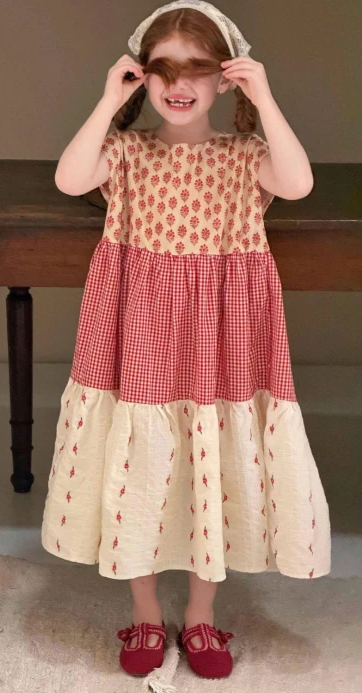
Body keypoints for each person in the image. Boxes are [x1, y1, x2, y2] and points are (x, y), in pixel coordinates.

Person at [41, 0, 331, 682]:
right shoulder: (127, 153)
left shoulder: (245, 157)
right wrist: (109, 100)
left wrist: (264, 95)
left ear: (224, 78)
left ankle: (201, 614)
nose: (179, 83)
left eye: (198, 69)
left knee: (213, 465)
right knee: (137, 461)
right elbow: (70, 178)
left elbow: (298, 183)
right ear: (142, 75)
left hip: (218, 339)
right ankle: (144, 608)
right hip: (137, 330)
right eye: (163, 69)